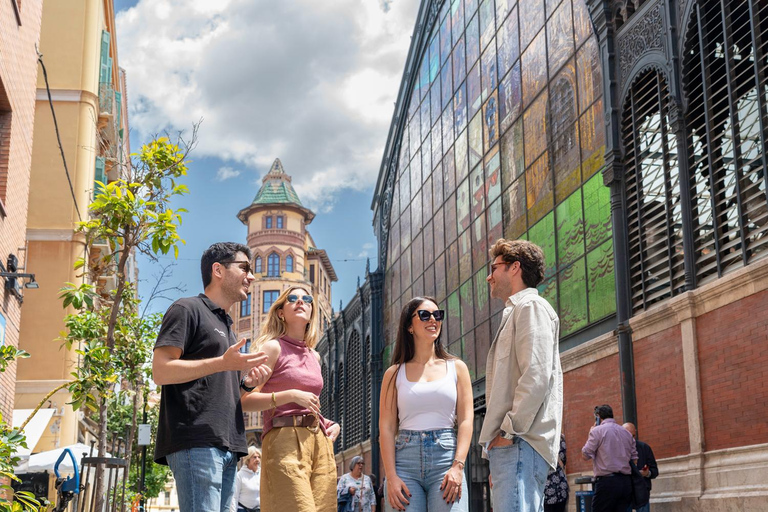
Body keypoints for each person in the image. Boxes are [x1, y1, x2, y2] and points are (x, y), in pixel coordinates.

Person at [152, 242, 271, 512]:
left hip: (229, 445)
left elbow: (224, 391)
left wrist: (247, 384)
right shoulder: (187, 309)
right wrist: (222, 362)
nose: (251, 276)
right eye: (244, 268)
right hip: (197, 440)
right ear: (218, 270)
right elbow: (160, 371)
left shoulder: (227, 326)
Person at [479, 239, 563, 511]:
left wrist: (508, 432)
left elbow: (536, 376)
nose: (489, 276)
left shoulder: (530, 308)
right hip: (514, 446)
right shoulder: (517, 311)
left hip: (519, 442)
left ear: (515, 267)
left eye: (494, 267)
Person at [240, 287, 340, 512]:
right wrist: (290, 395)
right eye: (292, 299)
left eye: (306, 299)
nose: (300, 302)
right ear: (281, 312)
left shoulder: (314, 355)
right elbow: (245, 400)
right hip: (284, 439)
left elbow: (309, 404)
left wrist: (328, 424)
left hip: (319, 441)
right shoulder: (273, 347)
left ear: (312, 310)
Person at [380, 296, 474, 512]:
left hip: (446, 460)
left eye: (437, 314)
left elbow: (467, 420)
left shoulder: (457, 367)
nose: (433, 319)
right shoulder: (393, 374)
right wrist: (391, 477)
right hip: (404, 463)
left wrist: (458, 466)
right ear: (409, 326)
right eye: (425, 315)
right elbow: (386, 428)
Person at [582, 405, 638, 512]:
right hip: (625, 483)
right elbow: (634, 459)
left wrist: (591, 433)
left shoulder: (597, 431)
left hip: (607, 482)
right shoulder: (626, 433)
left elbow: (585, 455)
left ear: (598, 417)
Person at [623, 423, 658, 512]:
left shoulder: (644, 448)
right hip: (624, 490)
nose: (631, 439)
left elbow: (655, 471)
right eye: (628, 436)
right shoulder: (617, 450)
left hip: (642, 490)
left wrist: (647, 473)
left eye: (633, 436)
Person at [231, 446, 261, 512]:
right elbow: (234, 497)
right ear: (248, 459)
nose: (257, 460)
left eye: (259, 457)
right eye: (254, 457)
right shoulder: (240, 475)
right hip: (243, 510)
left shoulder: (261, 474)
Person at [544, 433, 569, 512]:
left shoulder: (539, 438)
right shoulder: (560, 437)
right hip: (561, 487)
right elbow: (564, 460)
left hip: (546, 489)